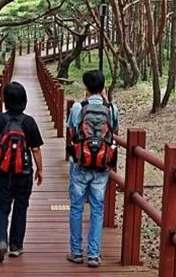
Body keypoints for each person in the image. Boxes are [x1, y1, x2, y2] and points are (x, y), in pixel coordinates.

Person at [0, 81, 44, 263]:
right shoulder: (29, 122)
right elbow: (36, 149)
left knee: (2, 207)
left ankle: (1, 240)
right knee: (21, 208)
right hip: (23, 173)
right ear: (24, 100)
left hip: (3, 173)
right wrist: (40, 170)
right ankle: (16, 246)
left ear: (5, 100)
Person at [66, 70, 119, 268]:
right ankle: (94, 254)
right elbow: (115, 130)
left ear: (86, 88)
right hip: (101, 166)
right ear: (103, 87)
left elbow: (72, 131)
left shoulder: (78, 107)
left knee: (76, 207)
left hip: (80, 163)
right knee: (97, 208)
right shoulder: (112, 109)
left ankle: (76, 251)